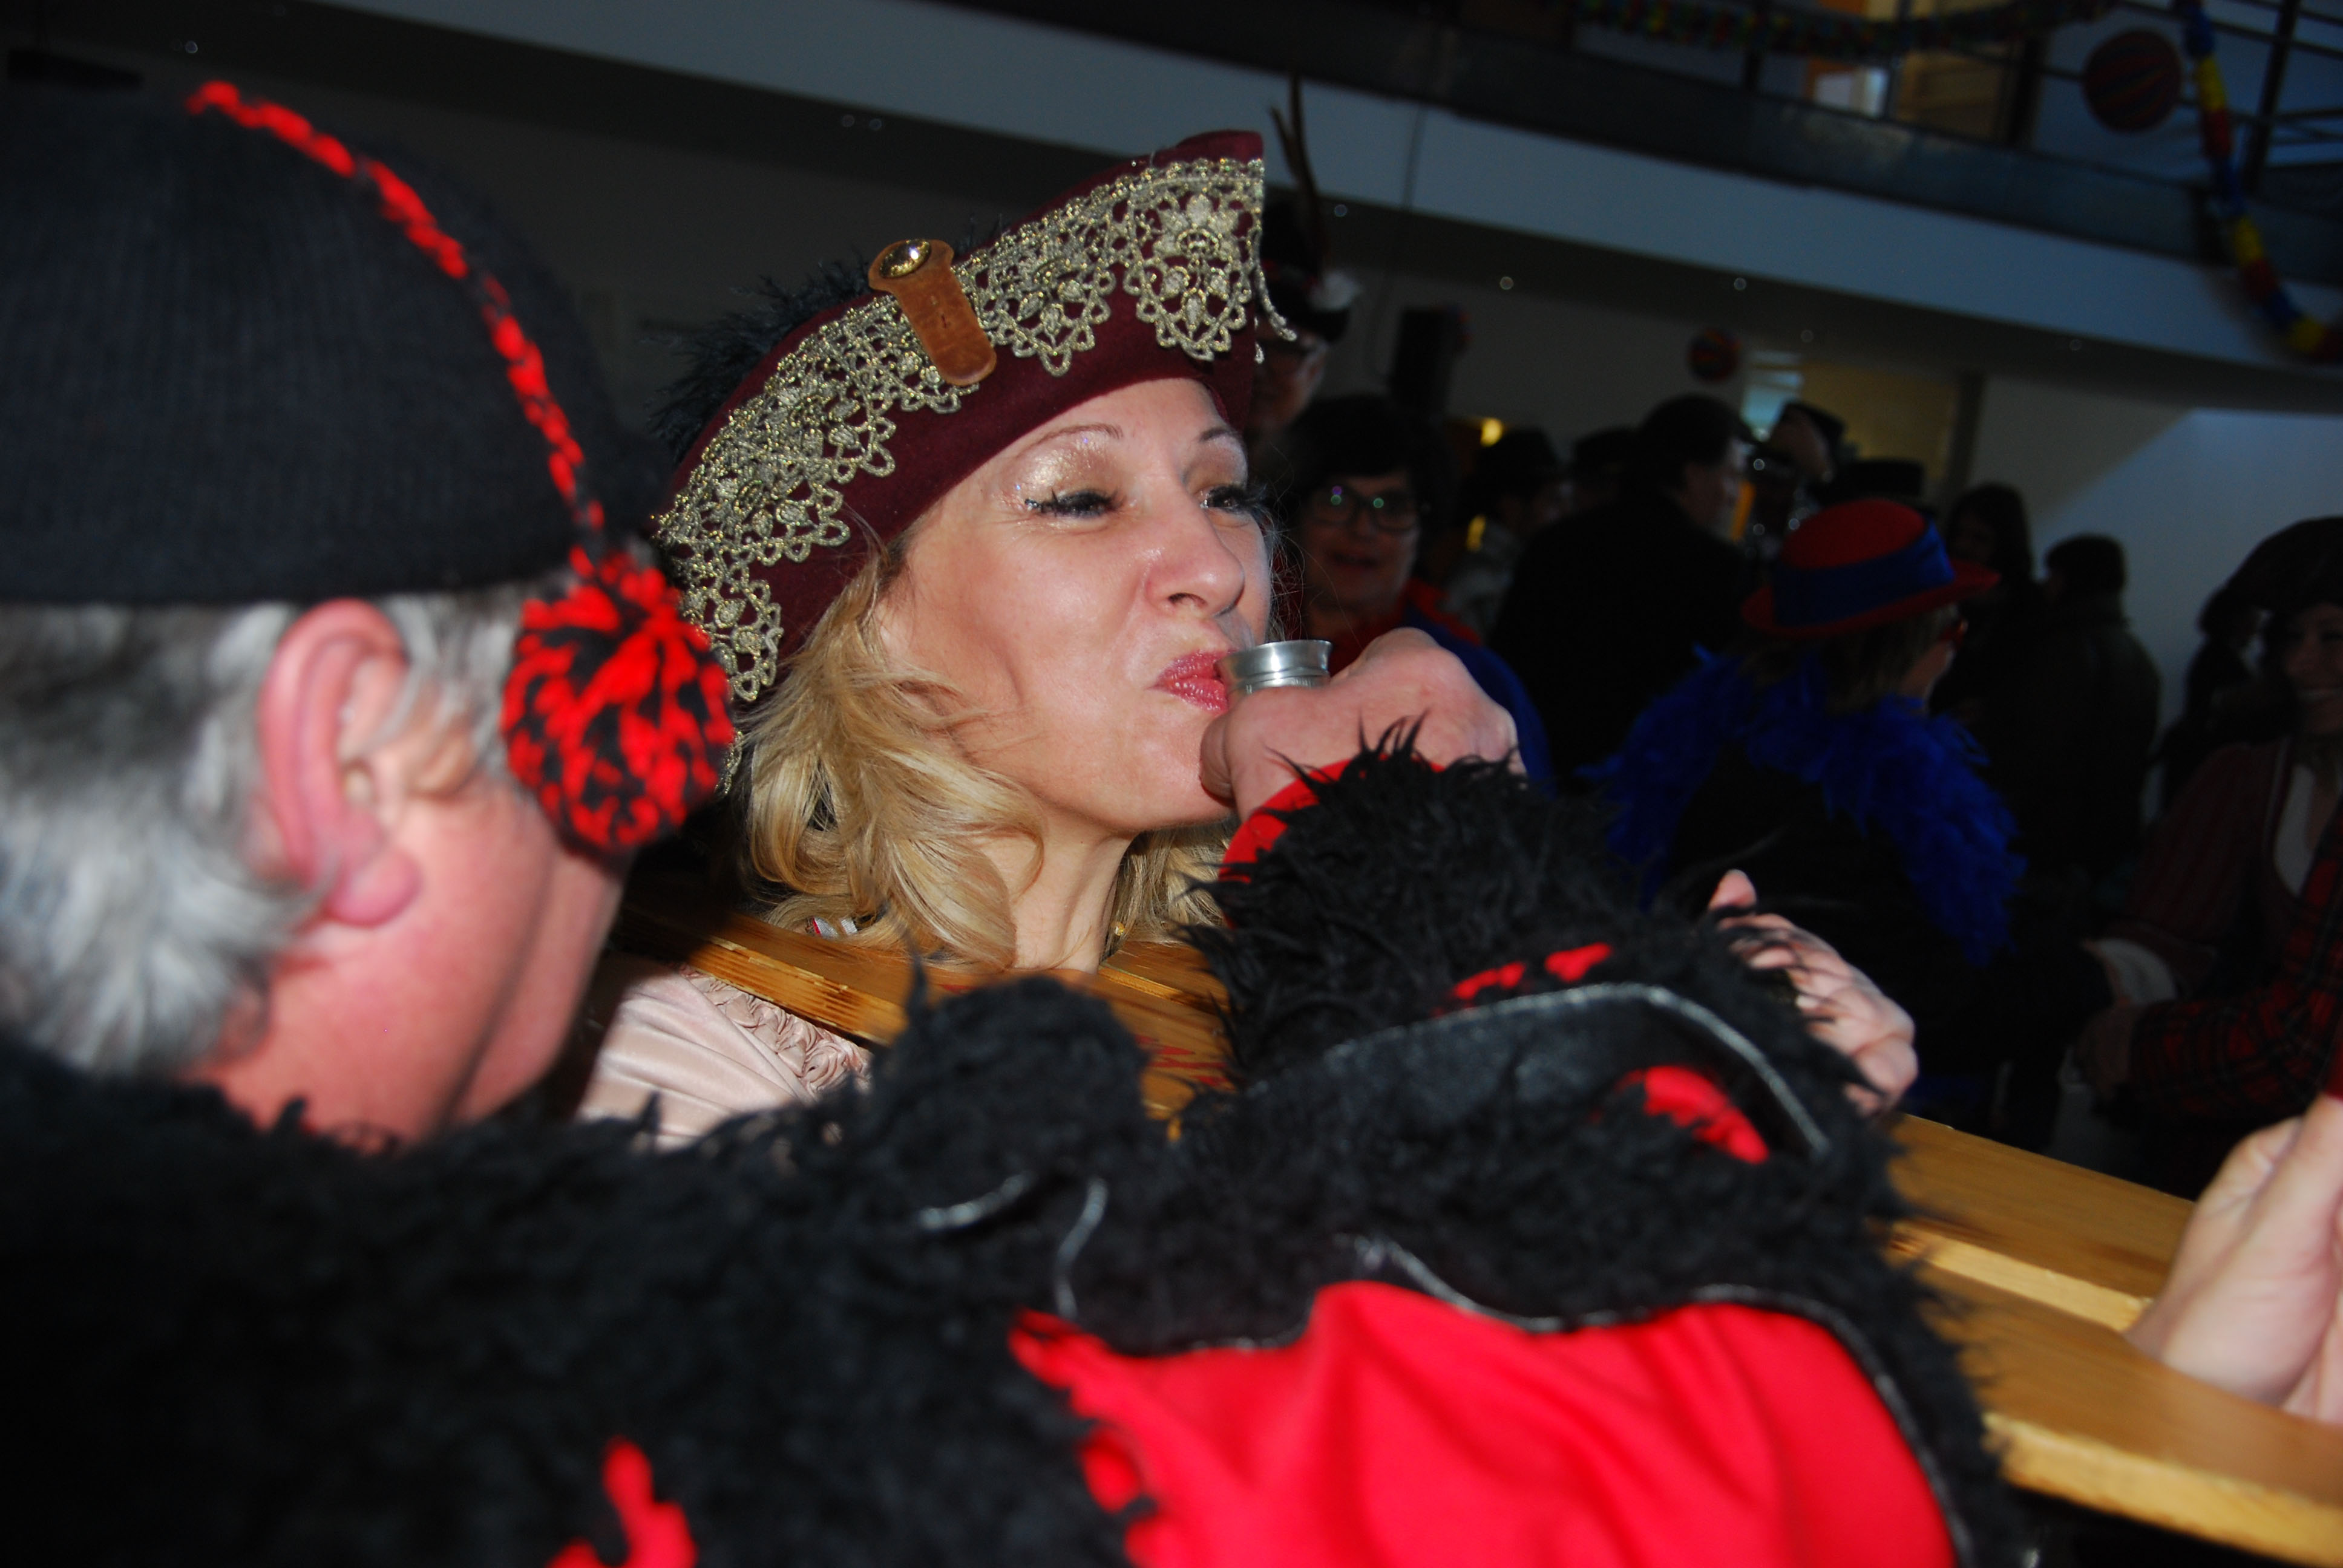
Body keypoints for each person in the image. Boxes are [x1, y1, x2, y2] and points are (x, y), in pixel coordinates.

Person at [5, 87, 2339, 1568]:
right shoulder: (684, 1082)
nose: (1218, 564)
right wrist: (1586, 1060)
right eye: (1082, 497)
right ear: (871, 634)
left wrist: (1770, 1117)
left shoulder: (1261, 986)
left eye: (1226, 484)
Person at [1598, 501, 2114, 1129]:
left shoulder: (1717, 735)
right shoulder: (1847, 802)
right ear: (1903, 648)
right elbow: (1930, 1005)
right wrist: (2088, 978)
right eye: (1951, 633)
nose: (1953, 656)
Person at [2083, 517, 2343, 1191]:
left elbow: (2301, 1045)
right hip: (2258, 1145)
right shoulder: (2252, 780)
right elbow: (2165, 936)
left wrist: (2137, 1044)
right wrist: (2102, 987)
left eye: (2332, 638)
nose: (2299, 663)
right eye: (2291, 637)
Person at [1276, 395, 1553, 780]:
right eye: (1336, 500)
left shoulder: (1471, 680)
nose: (1363, 528)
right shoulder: (1242, 647)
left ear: (1422, 532)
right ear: (1296, 516)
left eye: (1392, 507)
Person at [1491, 394, 1754, 777]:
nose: (1733, 496)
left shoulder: (1557, 543)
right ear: (1694, 474)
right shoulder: (1717, 568)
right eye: (1730, 475)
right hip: (1651, 783)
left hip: (1535, 764)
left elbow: (1507, 668)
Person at [1986, 535, 2161, 892]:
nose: (2045, 584)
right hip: (2102, 844)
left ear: (2068, 579)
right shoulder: (2137, 656)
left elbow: (2033, 753)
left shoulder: (2063, 652)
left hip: (2046, 841)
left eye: (2052, 574)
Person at [1441, 425, 1567, 636]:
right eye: (1552, 500)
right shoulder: (1481, 582)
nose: (1564, 512)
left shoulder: (1521, 568)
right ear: (1512, 505)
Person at [2156, 584, 2263, 811]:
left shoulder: (2215, 655)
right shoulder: (2221, 660)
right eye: (2253, 614)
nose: (2258, 621)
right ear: (2235, 619)